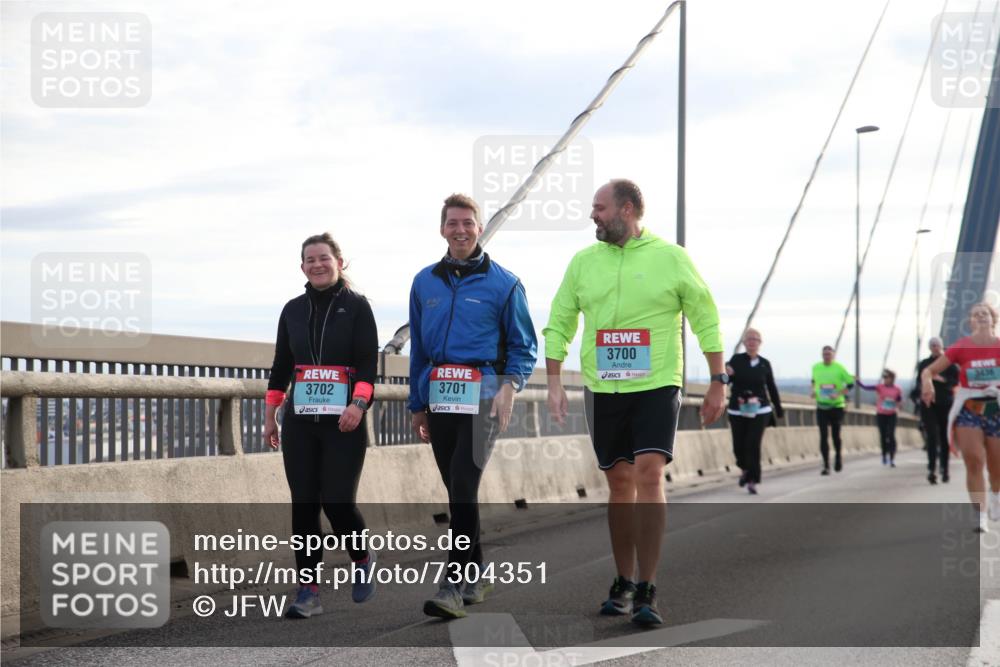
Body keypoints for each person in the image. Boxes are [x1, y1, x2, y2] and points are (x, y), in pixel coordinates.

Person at [544, 179, 726, 626]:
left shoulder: (671, 257)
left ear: (626, 210)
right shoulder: (584, 262)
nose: (593, 215)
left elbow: (705, 313)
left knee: (648, 474)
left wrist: (719, 378)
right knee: (619, 484)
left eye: (599, 208)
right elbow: (560, 318)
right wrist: (553, 380)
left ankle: (648, 585)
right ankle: (623, 580)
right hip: (603, 387)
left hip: (656, 382)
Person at [408, 193, 538, 619]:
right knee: (458, 489)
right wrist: (417, 403)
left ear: (479, 228)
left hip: (484, 397)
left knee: (463, 482)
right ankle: (477, 575)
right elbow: (420, 351)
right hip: (440, 396)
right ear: (442, 229)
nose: (460, 230)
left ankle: (452, 583)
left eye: (468, 223)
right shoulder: (424, 282)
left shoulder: (505, 283)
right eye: (452, 223)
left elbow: (524, 345)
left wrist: (511, 386)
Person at [264, 233, 379, 619]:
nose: (317, 264)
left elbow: (367, 363)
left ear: (339, 262)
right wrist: (271, 414)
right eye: (310, 259)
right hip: (301, 422)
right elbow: (281, 367)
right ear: (302, 267)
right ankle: (308, 590)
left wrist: (358, 404)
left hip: (343, 423)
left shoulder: (358, 307)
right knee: (304, 506)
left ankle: (361, 557)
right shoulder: (292, 310)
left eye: (324, 258)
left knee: (338, 502)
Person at [921, 302, 1000, 533]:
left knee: (996, 468)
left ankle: (996, 496)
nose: (981, 317)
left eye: (985, 314)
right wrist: (927, 383)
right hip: (969, 410)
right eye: (976, 315)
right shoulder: (962, 347)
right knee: (974, 460)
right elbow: (929, 370)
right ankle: (980, 515)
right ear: (971, 322)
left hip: (996, 410)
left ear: (993, 319)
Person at [726, 328, 784, 495]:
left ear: (760, 343)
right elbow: (727, 381)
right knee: (739, 445)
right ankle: (744, 469)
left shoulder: (765, 363)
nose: (752, 342)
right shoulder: (736, 360)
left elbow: (771, 387)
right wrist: (727, 374)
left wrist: (778, 409)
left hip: (761, 409)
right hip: (738, 409)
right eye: (749, 339)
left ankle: (753, 479)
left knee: (753, 443)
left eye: (755, 339)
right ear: (744, 342)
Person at [913, 337, 958, 484]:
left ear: (942, 346)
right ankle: (931, 469)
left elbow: (957, 381)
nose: (935, 347)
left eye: (937, 345)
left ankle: (945, 469)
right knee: (931, 436)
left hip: (945, 403)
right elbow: (919, 382)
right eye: (932, 345)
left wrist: (941, 379)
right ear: (929, 347)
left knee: (945, 437)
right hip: (928, 404)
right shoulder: (924, 364)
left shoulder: (950, 364)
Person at [810, 346, 854, 475]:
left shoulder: (839, 368)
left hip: (837, 406)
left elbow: (850, 384)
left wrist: (839, 393)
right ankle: (826, 465)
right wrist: (813, 390)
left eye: (829, 354)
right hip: (821, 406)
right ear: (821, 355)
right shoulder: (816, 367)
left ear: (833, 355)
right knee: (823, 436)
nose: (827, 356)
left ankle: (838, 458)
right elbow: (813, 381)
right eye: (824, 354)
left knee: (836, 435)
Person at [856, 369, 903, 467]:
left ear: (892, 378)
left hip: (892, 414)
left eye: (887, 377)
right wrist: (858, 381)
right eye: (884, 377)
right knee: (883, 436)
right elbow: (865, 387)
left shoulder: (897, 389)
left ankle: (892, 458)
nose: (885, 379)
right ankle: (884, 455)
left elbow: (899, 400)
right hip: (881, 414)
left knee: (891, 435)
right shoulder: (880, 387)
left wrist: (898, 406)